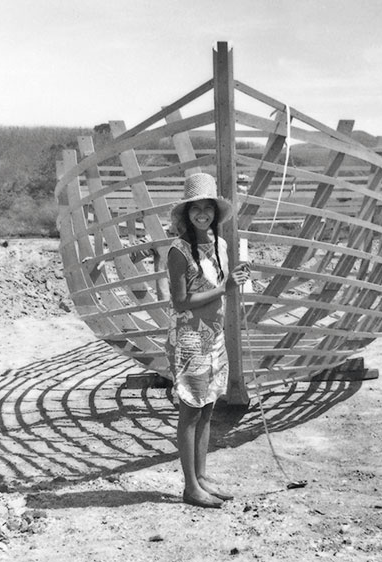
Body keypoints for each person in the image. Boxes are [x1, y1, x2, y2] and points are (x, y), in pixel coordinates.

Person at [166, 172, 249, 508]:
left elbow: (223, 283)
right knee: (190, 411)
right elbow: (180, 302)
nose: (202, 214)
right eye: (195, 208)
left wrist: (236, 277)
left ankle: (201, 476)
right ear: (187, 214)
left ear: (215, 212)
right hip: (189, 341)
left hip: (213, 337)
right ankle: (190, 487)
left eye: (208, 208)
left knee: (208, 409)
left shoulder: (220, 245)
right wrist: (224, 288)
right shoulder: (178, 251)